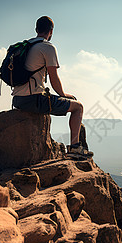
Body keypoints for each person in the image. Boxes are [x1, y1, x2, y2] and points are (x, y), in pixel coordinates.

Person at [12, 16, 93, 157]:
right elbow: (54, 79)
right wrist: (64, 94)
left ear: (36, 29)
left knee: (68, 104)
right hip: (34, 99)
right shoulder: (47, 47)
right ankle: (75, 148)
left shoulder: (26, 46)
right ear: (51, 31)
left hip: (17, 100)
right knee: (78, 107)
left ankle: (74, 147)